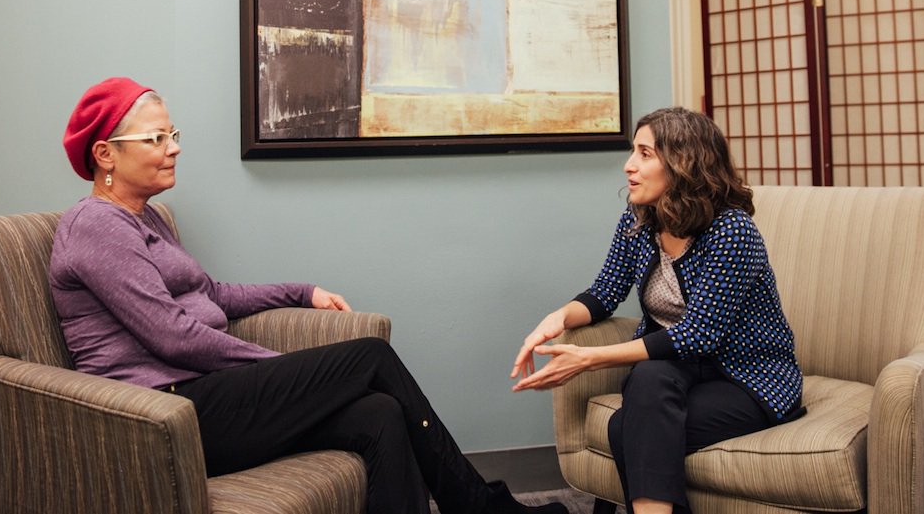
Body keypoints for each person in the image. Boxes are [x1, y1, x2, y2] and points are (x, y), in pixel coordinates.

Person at [50, 77, 568, 514]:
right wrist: (276, 367)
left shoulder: (147, 218)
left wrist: (302, 291)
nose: (175, 147)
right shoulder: (97, 225)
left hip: (207, 397)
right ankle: (480, 506)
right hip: (167, 412)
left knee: (380, 413)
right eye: (157, 137)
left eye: (174, 133)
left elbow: (213, 295)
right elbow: (173, 338)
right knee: (368, 354)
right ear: (104, 154)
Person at [510, 107, 805, 514]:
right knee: (648, 381)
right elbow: (604, 292)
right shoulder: (637, 221)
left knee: (624, 427)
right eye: (633, 152)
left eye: (645, 154)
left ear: (685, 163)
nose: (629, 166)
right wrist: (556, 319)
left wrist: (589, 360)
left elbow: (698, 335)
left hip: (747, 379)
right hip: (677, 372)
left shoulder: (732, 231)